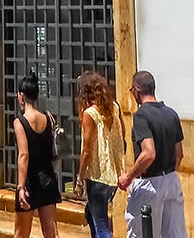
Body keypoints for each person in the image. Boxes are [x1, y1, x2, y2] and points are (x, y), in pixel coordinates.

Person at [116, 71, 184, 238]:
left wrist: (129, 176)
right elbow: (179, 154)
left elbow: (149, 153)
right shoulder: (171, 113)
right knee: (173, 234)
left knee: (141, 234)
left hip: (148, 183)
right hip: (171, 179)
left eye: (131, 90)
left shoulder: (141, 116)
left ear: (137, 89)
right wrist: (166, 175)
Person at [75, 71, 123, 238]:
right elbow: (122, 137)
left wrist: (80, 179)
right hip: (114, 174)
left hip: (97, 175)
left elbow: (86, 150)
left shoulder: (90, 114)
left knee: (101, 223)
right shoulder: (115, 108)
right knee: (91, 212)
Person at [11, 72, 60, 238]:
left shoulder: (20, 122)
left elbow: (23, 155)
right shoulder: (47, 118)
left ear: (21, 96)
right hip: (47, 179)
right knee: (51, 233)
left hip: (30, 182)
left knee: (21, 234)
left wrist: (20, 187)